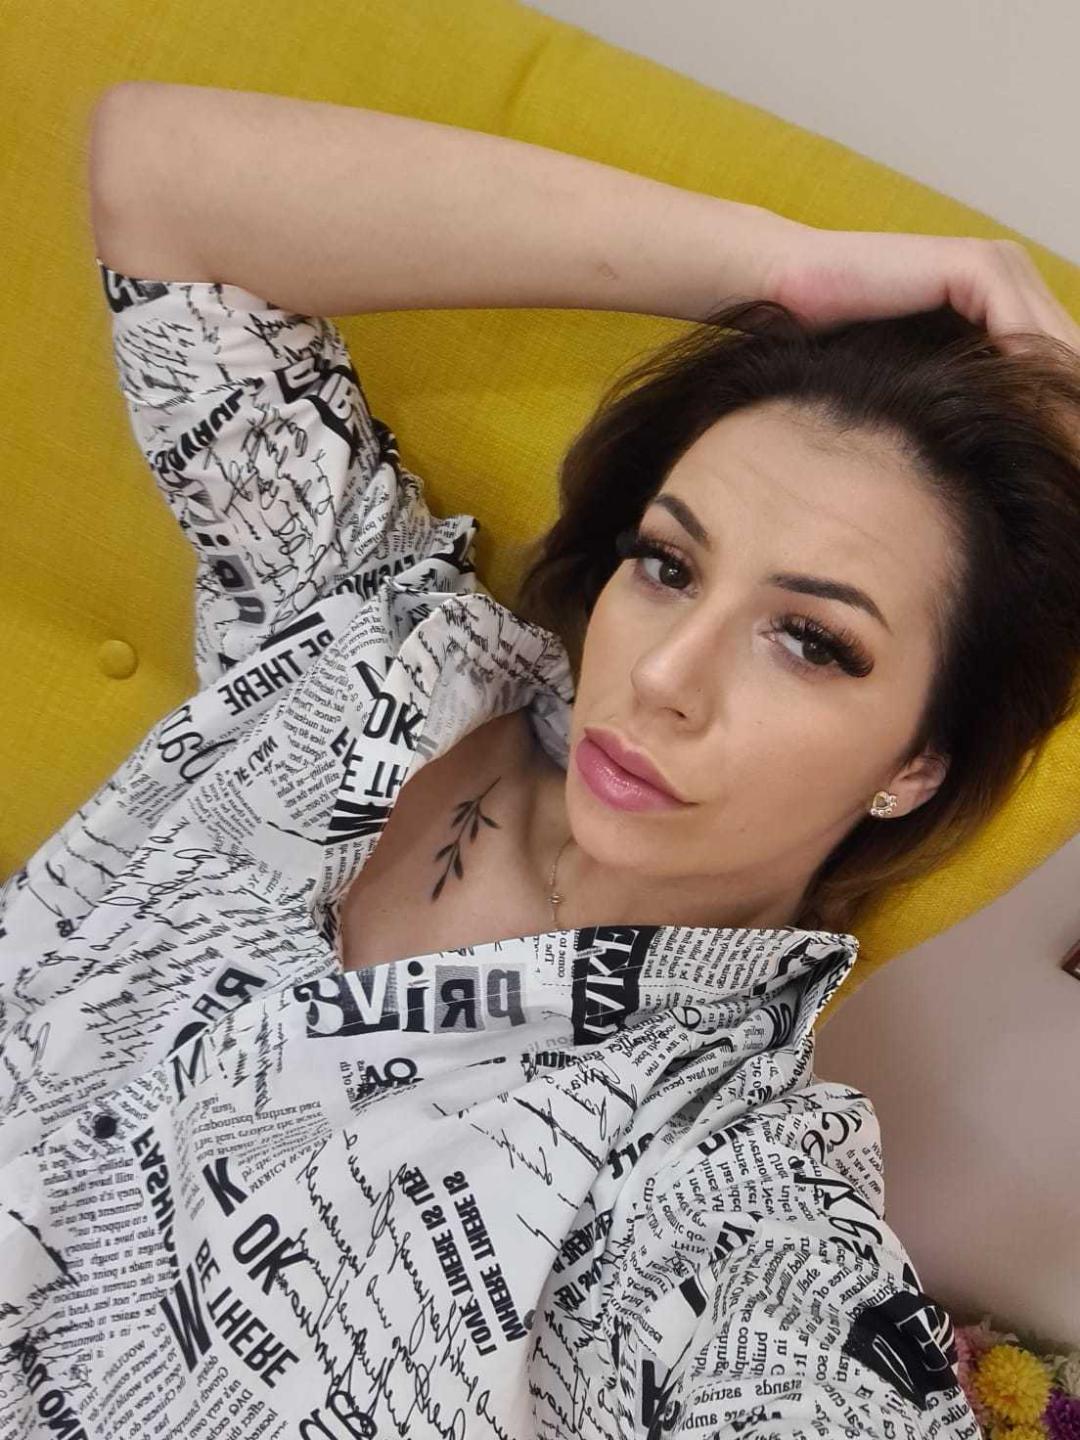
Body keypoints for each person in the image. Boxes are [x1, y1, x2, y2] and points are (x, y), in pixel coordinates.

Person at [2, 80, 1078, 1440]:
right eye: (668, 564)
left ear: (917, 763)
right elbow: (160, 177)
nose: (666, 677)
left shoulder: (728, 1200)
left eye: (810, 641)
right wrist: (787, 272)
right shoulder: (377, 632)